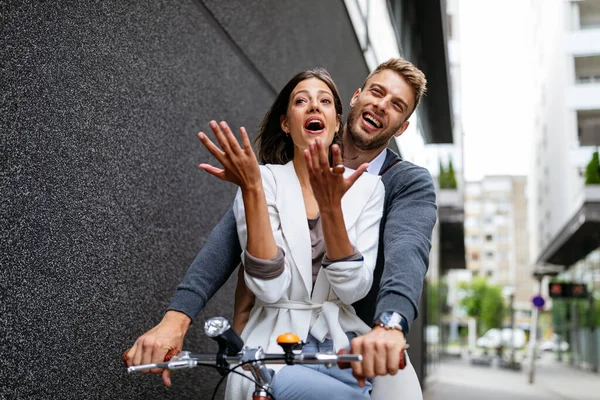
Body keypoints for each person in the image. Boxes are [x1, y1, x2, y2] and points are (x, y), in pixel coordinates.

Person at [125, 57, 436, 399]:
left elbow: (408, 251)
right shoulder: (282, 172)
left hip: (360, 346)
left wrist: (391, 323)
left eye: (396, 105)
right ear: (356, 98)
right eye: (376, 93)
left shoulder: (398, 182)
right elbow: (228, 241)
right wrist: (177, 318)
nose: (381, 105)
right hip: (276, 345)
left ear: (402, 127)